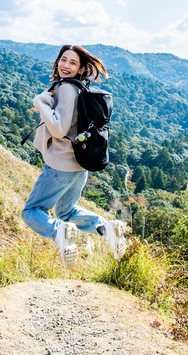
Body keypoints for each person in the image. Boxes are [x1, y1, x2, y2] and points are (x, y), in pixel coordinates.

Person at [22, 45, 127, 268]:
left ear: (80, 68)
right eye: (64, 59)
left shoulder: (67, 88)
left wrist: (40, 102)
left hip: (61, 164)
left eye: (72, 63)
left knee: (31, 211)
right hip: (78, 165)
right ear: (57, 60)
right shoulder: (80, 87)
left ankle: (57, 231)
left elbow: (59, 128)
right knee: (67, 211)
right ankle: (105, 228)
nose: (66, 66)